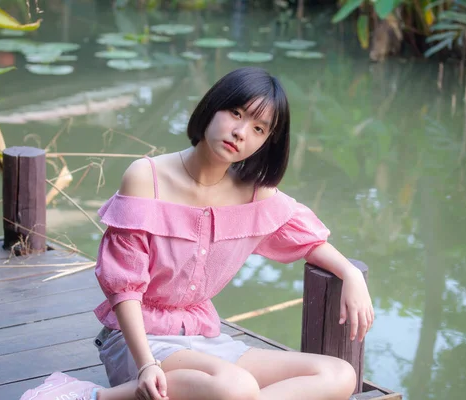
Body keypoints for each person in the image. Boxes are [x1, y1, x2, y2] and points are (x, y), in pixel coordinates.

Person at [87, 67, 374, 400]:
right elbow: (124, 287)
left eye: (258, 128)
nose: (240, 132)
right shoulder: (145, 177)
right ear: (212, 107)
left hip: (205, 340)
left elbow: (307, 241)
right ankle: (94, 397)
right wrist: (146, 365)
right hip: (138, 342)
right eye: (235, 113)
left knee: (339, 374)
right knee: (236, 388)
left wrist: (350, 273)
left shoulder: (256, 195)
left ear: (267, 141)